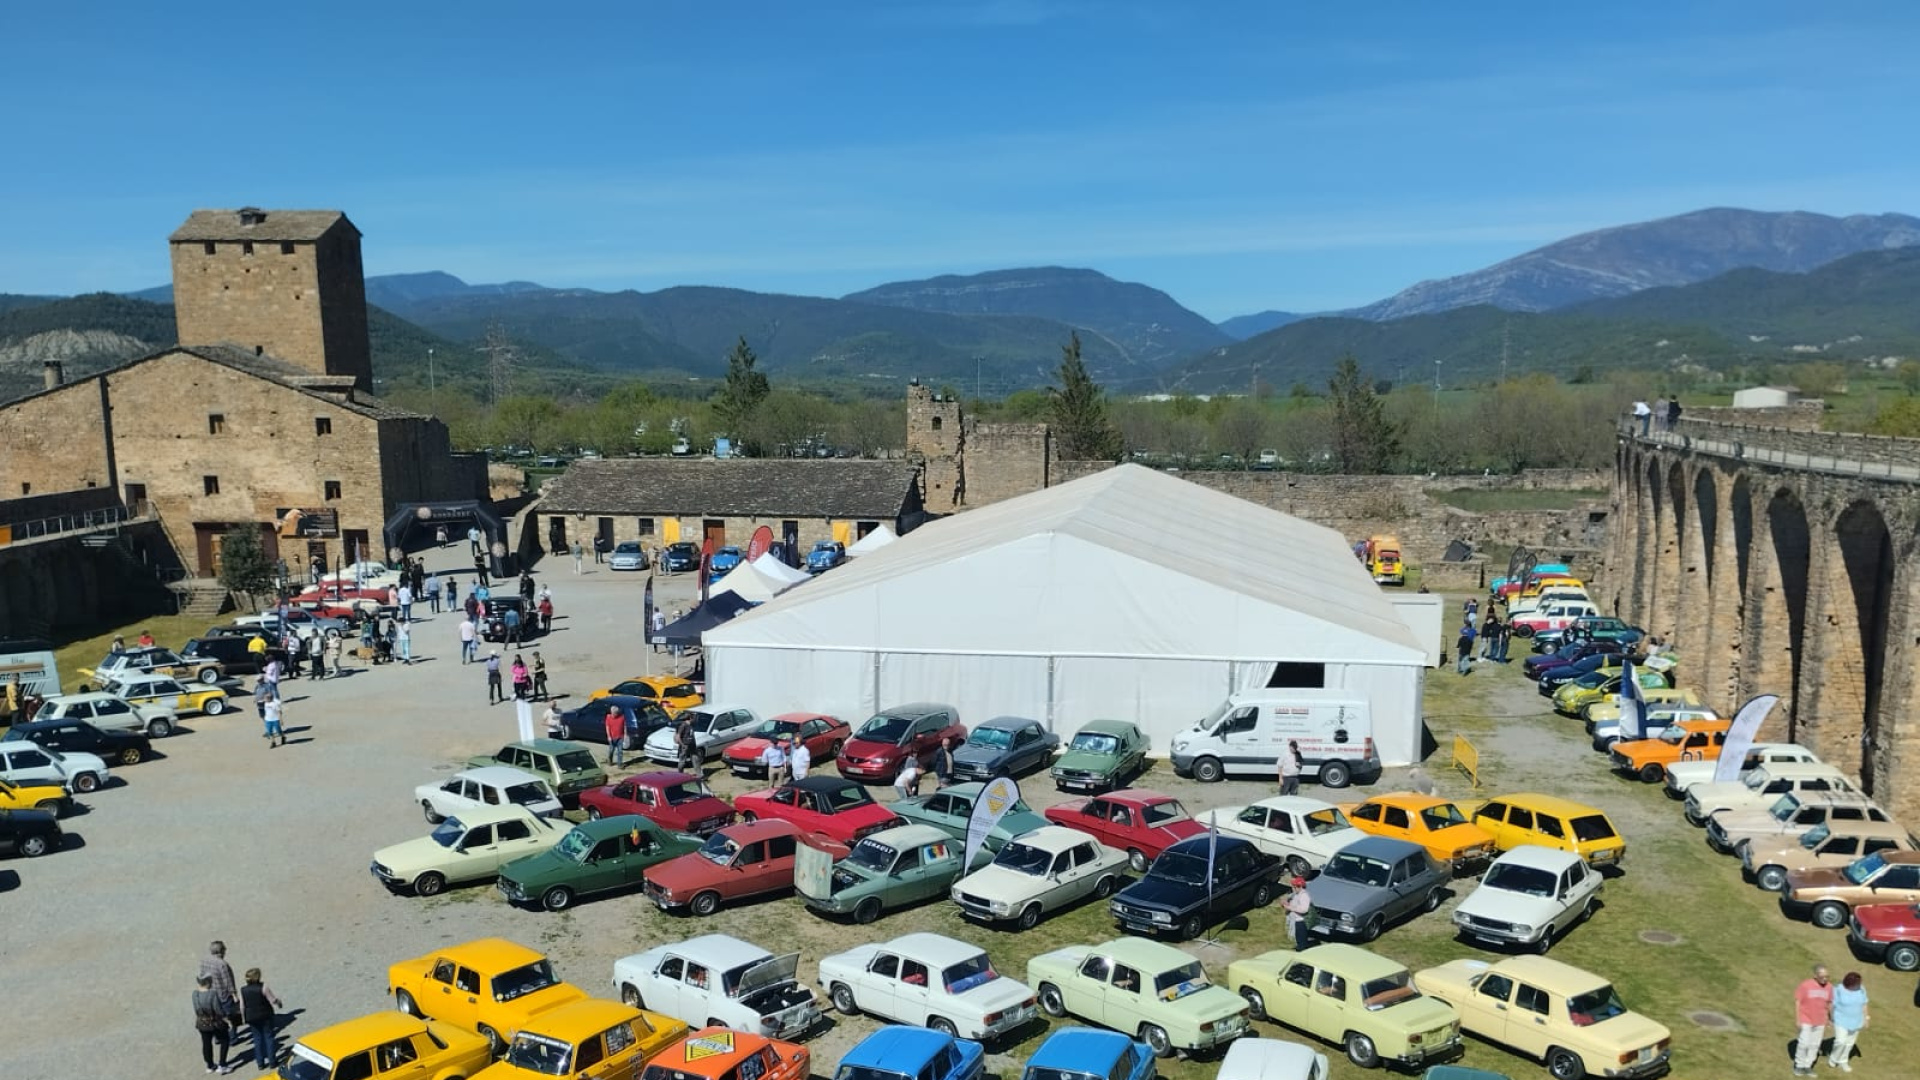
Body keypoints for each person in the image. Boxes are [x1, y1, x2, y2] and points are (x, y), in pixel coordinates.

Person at [239, 968, 284, 1071]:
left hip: (251, 1017)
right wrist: (279, 1003)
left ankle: (260, 1063)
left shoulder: (243, 990)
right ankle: (272, 1061)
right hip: (265, 1015)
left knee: (257, 1039)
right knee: (269, 1037)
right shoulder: (263, 987)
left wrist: (243, 1018)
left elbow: (242, 1006)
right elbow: (272, 1000)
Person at [1793, 963, 1833, 1076]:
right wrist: (1798, 1019)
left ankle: (1808, 1065)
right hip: (1806, 1019)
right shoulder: (1806, 985)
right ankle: (1799, 1065)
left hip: (1820, 1021)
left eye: (1827, 977)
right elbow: (1798, 1002)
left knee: (1814, 1045)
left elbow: (1829, 1003)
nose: (1825, 979)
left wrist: (1829, 1018)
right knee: (1804, 1043)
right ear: (1815, 976)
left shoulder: (1829, 987)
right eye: (1822, 977)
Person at [192, 974, 236, 1074]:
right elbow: (218, 1010)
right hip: (215, 1023)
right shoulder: (212, 994)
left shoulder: (195, 994)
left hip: (201, 1023)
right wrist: (227, 1020)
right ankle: (222, 1064)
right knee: (225, 1040)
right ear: (208, 982)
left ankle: (210, 1065)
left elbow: (196, 1009)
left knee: (206, 1043)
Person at [1827, 971, 1868, 1072]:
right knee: (1840, 1041)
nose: (1859, 985)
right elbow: (1831, 1005)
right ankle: (1833, 1058)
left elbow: (1864, 1004)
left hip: (1856, 1021)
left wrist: (1866, 1018)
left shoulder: (1862, 989)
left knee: (1850, 1043)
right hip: (1841, 1020)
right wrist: (1830, 1018)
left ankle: (1843, 1061)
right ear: (1850, 983)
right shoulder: (1838, 989)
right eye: (1857, 983)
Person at [1283, 877, 1313, 951]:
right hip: (1297, 920)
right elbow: (1295, 904)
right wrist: (1288, 904)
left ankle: (1301, 951)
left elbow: (1304, 909)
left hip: (1302, 921)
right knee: (1298, 937)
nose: (1293, 888)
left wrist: (1291, 908)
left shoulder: (1304, 896)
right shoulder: (1297, 894)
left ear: (1299, 886)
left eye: (1294, 886)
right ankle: (1299, 947)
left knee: (1301, 938)